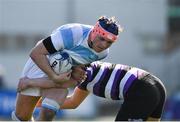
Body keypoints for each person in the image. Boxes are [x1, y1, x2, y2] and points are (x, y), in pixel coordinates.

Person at [12, 16, 122, 121]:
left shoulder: (102, 54)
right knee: (21, 118)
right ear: (94, 32)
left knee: (48, 112)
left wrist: (73, 72)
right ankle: (30, 82)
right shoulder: (72, 34)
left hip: (60, 77)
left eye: (109, 42)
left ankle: (29, 82)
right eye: (102, 39)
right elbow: (36, 53)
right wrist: (53, 76)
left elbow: (75, 79)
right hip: (40, 64)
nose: (104, 45)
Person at [18, 61, 167, 121]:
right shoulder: (87, 79)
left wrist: (30, 82)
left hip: (142, 89)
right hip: (156, 86)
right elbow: (73, 102)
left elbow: (58, 81)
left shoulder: (86, 70)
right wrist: (39, 103)